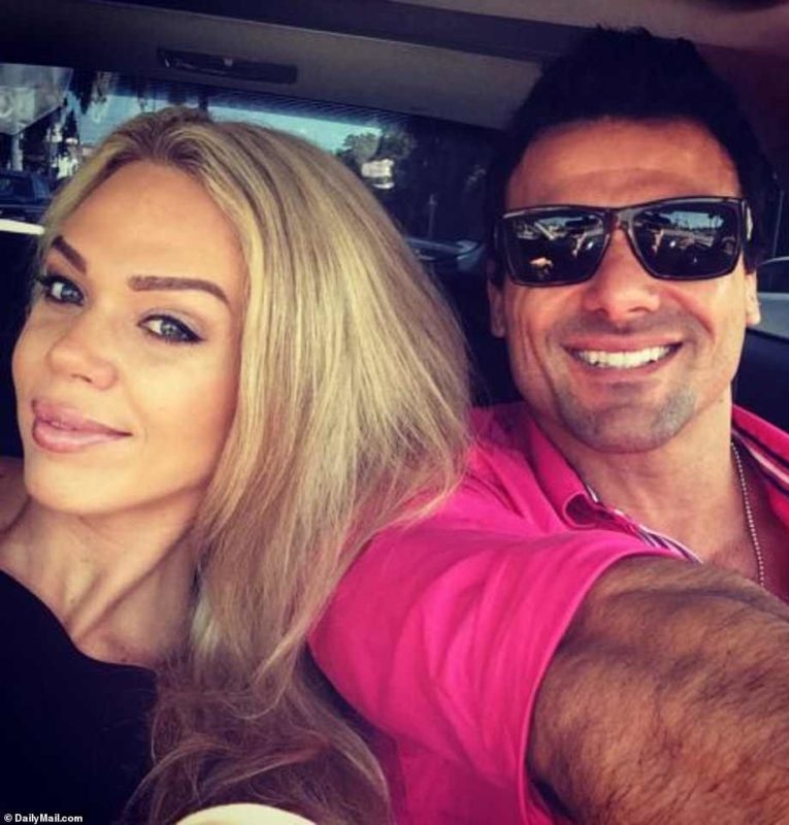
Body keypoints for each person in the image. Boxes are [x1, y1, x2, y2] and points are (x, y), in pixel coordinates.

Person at [312, 28, 789, 825]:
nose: (619, 295)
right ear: (498, 296)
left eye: (686, 235)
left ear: (748, 280)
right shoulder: (399, 503)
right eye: (552, 243)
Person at [0, 107, 468, 824]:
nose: (68, 352)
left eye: (168, 325)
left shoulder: (249, 770)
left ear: (293, 388)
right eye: (65, 289)